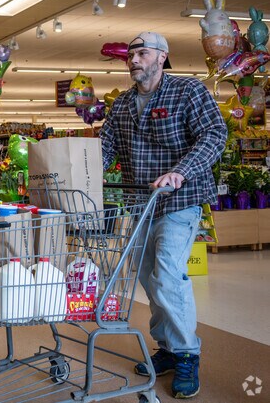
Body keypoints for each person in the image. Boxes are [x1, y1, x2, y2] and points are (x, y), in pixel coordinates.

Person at [99, 32, 227, 399]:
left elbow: (214, 135)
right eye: (131, 54)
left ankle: (188, 353)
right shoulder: (122, 105)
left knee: (168, 275)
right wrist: (78, 167)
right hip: (140, 203)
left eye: (142, 53)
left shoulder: (188, 91)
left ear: (162, 57)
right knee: (148, 277)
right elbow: (105, 149)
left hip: (179, 199)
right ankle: (168, 348)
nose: (134, 59)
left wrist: (181, 171)